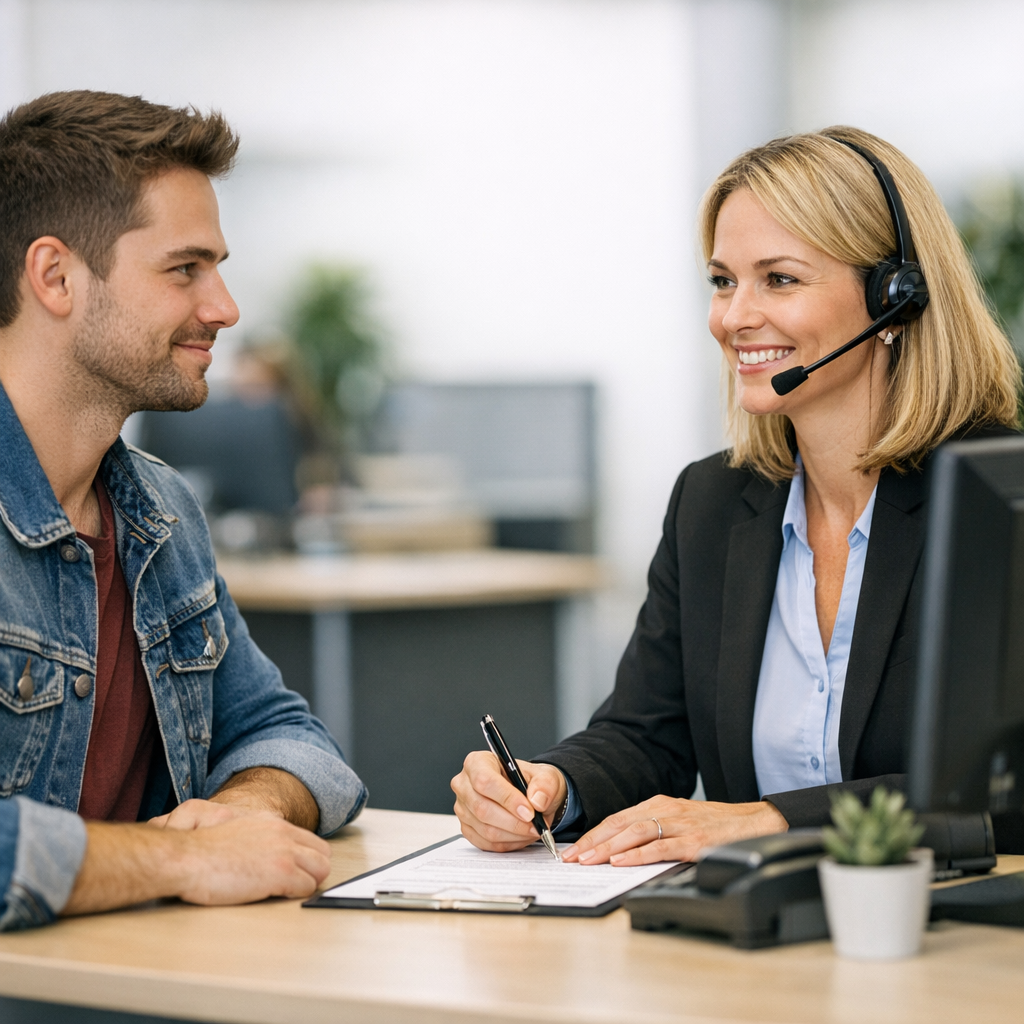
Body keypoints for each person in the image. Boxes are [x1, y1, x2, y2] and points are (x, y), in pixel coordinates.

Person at [452, 126, 1023, 866]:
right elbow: (646, 732)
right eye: (723, 280)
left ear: (896, 299)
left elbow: (1003, 793)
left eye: (778, 279)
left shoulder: (999, 504)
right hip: (759, 945)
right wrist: (554, 784)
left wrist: (773, 820)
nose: (733, 317)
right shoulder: (714, 502)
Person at [0, 90, 367, 931]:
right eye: (184, 269)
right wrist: (181, 856)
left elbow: (293, 738)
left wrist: (249, 807)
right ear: (55, 276)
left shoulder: (157, 511)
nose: (225, 308)